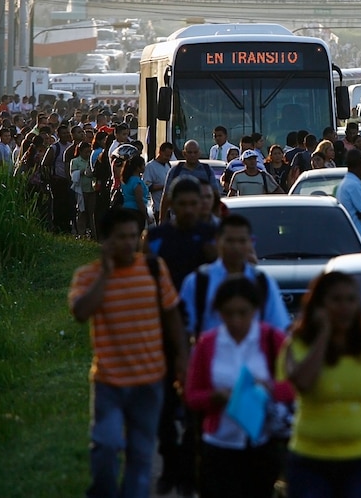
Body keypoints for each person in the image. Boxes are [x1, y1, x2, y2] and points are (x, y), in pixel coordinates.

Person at [68, 207, 187, 498]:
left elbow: (172, 316)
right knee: (106, 446)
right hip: (109, 382)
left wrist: (182, 358)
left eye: (133, 236)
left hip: (150, 381)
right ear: (105, 240)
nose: (128, 243)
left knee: (141, 456)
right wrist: (106, 275)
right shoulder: (88, 276)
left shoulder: (154, 268)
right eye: (121, 237)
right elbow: (81, 312)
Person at [281, 271, 361, 498]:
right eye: (336, 300)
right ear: (320, 303)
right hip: (310, 461)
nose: (345, 307)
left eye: (351, 300)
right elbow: (302, 382)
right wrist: (324, 333)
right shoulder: (297, 343)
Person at [184, 277, 295, 498]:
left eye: (242, 312)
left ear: (255, 310)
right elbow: (192, 395)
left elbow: (295, 388)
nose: (235, 320)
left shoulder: (273, 340)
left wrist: (269, 388)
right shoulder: (208, 344)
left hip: (262, 445)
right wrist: (214, 397)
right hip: (219, 445)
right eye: (228, 313)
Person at [144, 177, 219, 496]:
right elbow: (142, 279)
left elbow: (222, 275)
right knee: (161, 406)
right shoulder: (157, 237)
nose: (189, 210)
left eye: (194, 204)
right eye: (182, 204)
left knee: (195, 407)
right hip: (160, 329)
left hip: (201, 332)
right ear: (171, 205)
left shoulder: (210, 236)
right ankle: (169, 464)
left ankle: (188, 472)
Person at [180, 214, 290, 338]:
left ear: (251, 242)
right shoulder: (198, 282)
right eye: (230, 241)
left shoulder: (262, 282)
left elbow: (279, 329)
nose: (236, 247)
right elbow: (184, 332)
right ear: (217, 241)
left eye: (242, 241)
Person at [160, 140, 223, 221]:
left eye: (195, 152)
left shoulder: (207, 170)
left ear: (199, 153)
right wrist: (161, 221)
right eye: (189, 152)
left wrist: (217, 217)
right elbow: (166, 198)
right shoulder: (175, 171)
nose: (192, 155)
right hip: (180, 219)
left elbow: (215, 195)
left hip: (203, 219)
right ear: (184, 153)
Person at [144, 142, 174, 224]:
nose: (168, 158)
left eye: (170, 156)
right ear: (160, 152)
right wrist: (165, 186)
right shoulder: (150, 167)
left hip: (170, 208)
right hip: (158, 208)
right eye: (166, 155)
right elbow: (147, 186)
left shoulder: (168, 166)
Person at [121, 154, 152, 232]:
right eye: (143, 165)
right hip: (135, 211)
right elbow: (139, 201)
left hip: (126, 209)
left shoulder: (127, 180)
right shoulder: (137, 182)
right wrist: (146, 216)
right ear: (138, 168)